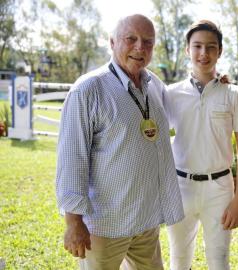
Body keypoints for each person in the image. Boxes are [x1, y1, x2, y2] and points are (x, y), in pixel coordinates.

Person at [55, 14, 184, 270]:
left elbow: (190, 106)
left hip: (146, 221)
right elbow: (72, 158)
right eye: (131, 39)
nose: (140, 47)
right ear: (112, 42)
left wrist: (217, 81)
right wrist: (73, 223)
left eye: (148, 42)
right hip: (105, 226)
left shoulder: (154, 86)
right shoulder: (88, 89)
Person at [165, 20, 238, 270]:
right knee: (179, 261)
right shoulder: (170, 94)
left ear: (220, 51)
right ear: (187, 50)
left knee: (219, 261)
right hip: (180, 188)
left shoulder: (234, 94)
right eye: (197, 46)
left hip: (220, 191)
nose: (204, 53)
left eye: (211, 47)